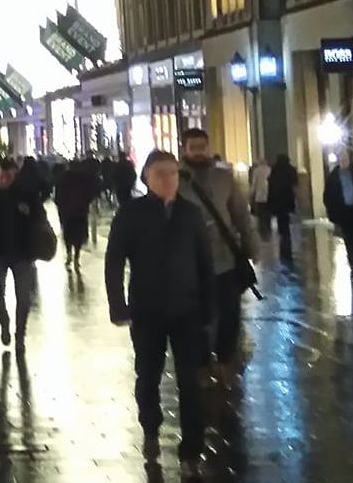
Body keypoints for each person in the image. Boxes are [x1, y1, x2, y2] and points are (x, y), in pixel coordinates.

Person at [105, 150, 213, 477]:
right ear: (147, 179)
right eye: (161, 174)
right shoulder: (130, 213)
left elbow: (205, 264)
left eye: (173, 173)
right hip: (147, 309)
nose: (169, 180)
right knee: (148, 375)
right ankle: (150, 428)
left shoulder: (191, 214)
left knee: (190, 383)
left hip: (187, 309)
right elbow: (114, 262)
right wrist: (118, 306)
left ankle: (191, 449)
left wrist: (208, 308)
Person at [177, 128, 257, 373]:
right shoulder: (176, 179)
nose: (199, 152)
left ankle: (224, 359)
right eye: (194, 148)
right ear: (185, 150)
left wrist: (251, 247)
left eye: (202, 147)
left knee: (230, 313)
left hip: (225, 258)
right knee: (197, 316)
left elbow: (241, 214)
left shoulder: (224, 177)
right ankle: (201, 363)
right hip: (191, 262)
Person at [0, 157, 46, 349]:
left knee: (24, 297)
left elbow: (40, 217)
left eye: (8, 176)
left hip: (23, 253)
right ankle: (4, 324)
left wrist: (29, 213)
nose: (4, 180)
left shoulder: (26, 195)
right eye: (1, 177)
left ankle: (20, 334)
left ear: (14, 175)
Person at [53, 161, 92, 269]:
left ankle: (69, 253)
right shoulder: (83, 178)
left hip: (67, 213)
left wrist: (61, 207)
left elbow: (58, 196)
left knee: (68, 234)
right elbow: (89, 194)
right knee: (78, 235)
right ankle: (76, 257)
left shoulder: (63, 178)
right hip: (80, 212)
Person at [266, 154, 299, 259]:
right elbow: (295, 185)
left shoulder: (274, 170)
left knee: (281, 221)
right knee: (286, 220)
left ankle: (283, 241)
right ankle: (286, 241)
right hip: (287, 199)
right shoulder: (291, 170)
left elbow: (270, 185)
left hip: (277, 200)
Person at [248, 160, 271, 233]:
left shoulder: (256, 171)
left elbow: (254, 184)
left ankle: (262, 230)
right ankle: (268, 229)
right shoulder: (270, 170)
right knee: (268, 214)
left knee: (261, 215)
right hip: (269, 196)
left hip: (259, 196)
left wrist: (251, 195)